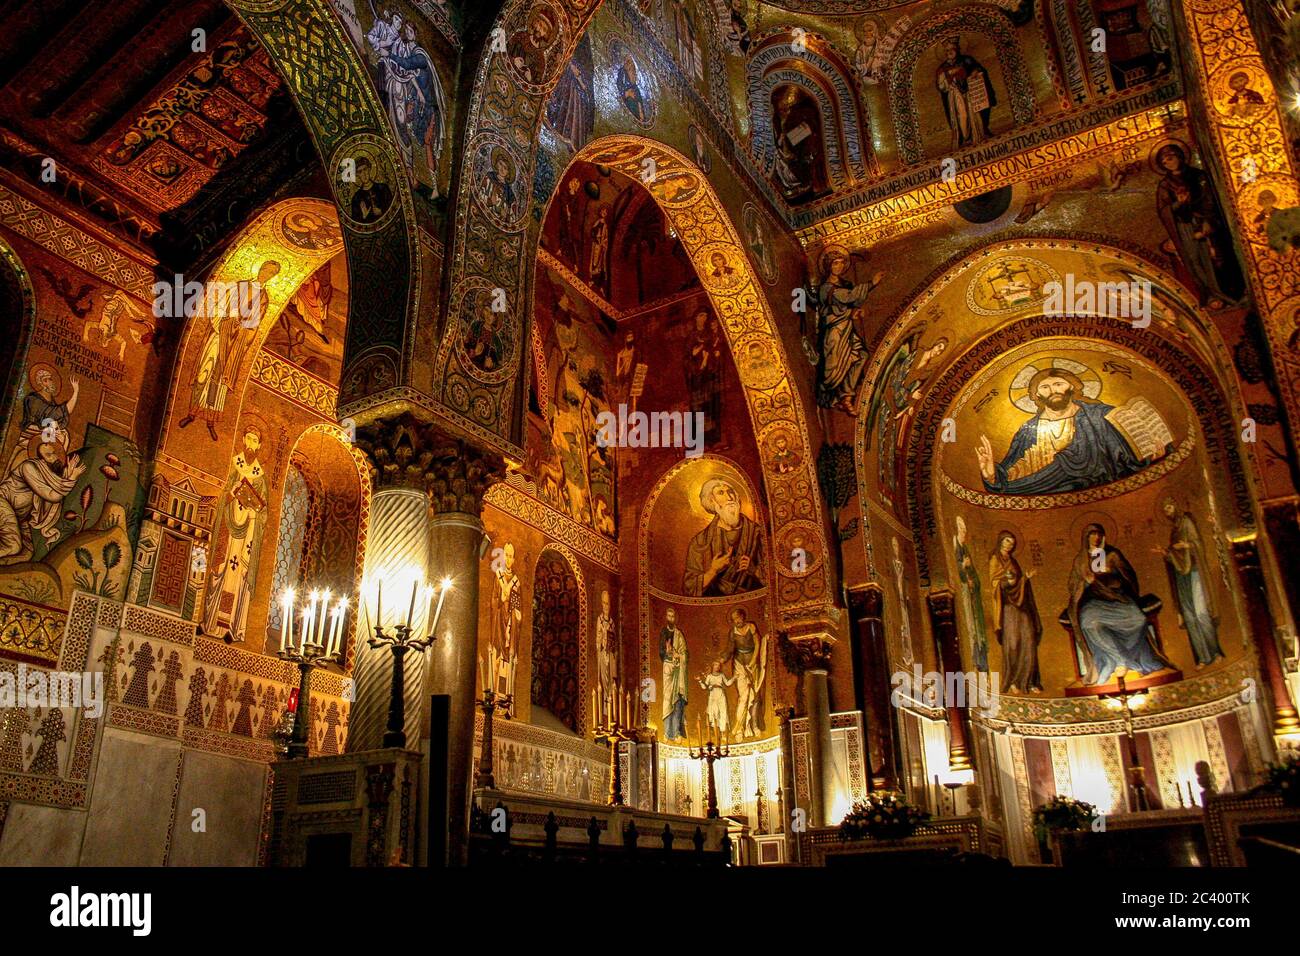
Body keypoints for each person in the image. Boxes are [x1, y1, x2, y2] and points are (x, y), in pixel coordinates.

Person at [977, 368, 1143, 496]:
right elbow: (1011, 473)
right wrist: (991, 476)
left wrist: (1148, 458)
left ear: (1071, 386)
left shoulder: (1098, 416)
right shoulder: (1027, 432)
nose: (1053, 390)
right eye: (1045, 387)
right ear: (1037, 394)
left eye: (1058, 384)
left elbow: (1125, 456)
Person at [1068, 523, 1170, 686]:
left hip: (1117, 598)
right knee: (1089, 623)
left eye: (1099, 534)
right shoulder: (1081, 560)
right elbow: (1073, 585)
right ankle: (1118, 660)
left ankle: (1129, 657)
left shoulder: (1112, 555)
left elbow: (1128, 576)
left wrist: (1109, 575)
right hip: (1093, 601)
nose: (1096, 538)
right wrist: (1085, 581)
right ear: (1085, 538)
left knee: (1138, 619)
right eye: (1092, 534)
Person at [1158, 498, 1225, 667]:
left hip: (1194, 571)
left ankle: (1215, 651)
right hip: (1181, 575)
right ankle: (1202, 657)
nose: (1168, 512)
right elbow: (1175, 554)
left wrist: (1187, 545)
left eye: (1170, 507)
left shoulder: (1187, 521)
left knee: (1201, 613)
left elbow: (1198, 544)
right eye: (1165, 510)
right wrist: (1166, 553)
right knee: (1190, 617)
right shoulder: (1174, 530)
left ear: (1176, 505)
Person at [815, 246, 881, 412]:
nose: (838, 267)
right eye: (835, 263)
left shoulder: (844, 284)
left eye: (841, 263)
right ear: (829, 266)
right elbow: (848, 297)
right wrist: (871, 283)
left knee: (861, 356)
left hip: (847, 329)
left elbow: (851, 301)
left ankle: (847, 396)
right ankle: (830, 395)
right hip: (835, 332)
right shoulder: (826, 288)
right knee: (834, 369)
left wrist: (855, 310)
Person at [0, 438, 85, 564]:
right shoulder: (28, 467)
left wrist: (67, 474)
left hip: (19, 516)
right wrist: (71, 478)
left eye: (54, 453)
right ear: (40, 458)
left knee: (27, 553)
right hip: (3, 504)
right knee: (13, 546)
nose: (54, 458)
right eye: (48, 455)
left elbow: (56, 485)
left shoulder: (49, 475)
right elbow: (52, 495)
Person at [683, 477, 765, 596]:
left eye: (730, 492)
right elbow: (689, 588)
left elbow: (774, 577)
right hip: (714, 607)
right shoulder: (699, 542)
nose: (729, 497)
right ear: (712, 501)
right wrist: (713, 571)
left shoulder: (756, 532)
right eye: (721, 493)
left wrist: (754, 570)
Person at [988, 531, 1042, 693]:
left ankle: (1029, 681)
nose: (1009, 545)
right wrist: (1008, 581)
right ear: (1000, 541)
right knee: (1012, 644)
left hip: (1021, 607)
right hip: (1007, 608)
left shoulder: (1013, 562)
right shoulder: (995, 559)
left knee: (1029, 640)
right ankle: (1012, 680)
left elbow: (1019, 581)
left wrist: (1024, 578)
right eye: (1006, 541)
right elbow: (994, 583)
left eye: (1012, 542)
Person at [936, 37, 996, 149]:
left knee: (975, 113)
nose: (949, 52)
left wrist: (975, 71)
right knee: (962, 116)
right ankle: (966, 138)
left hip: (970, 92)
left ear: (957, 49)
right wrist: (948, 75)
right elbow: (941, 86)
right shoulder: (943, 68)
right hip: (956, 95)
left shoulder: (966, 60)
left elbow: (977, 68)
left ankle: (980, 134)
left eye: (952, 49)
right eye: (947, 51)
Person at [953, 517, 989, 672]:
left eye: (965, 530)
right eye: (961, 530)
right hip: (965, 597)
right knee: (971, 630)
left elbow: (974, 575)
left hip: (973, 597)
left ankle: (982, 663)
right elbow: (958, 573)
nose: (964, 533)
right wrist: (962, 566)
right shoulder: (956, 548)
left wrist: (973, 580)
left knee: (978, 630)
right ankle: (974, 662)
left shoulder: (966, 549)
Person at [659, 608, 688, 740]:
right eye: (668, 616)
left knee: (677, 700)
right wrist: (668, 652)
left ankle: (676, 732)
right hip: (668, 668)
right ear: (666, 617)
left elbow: (685, 654)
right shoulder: (663, 632)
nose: (670, 618)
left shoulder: (679, 634)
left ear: (675, 618)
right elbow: (661, 652)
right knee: (667, 699)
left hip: (678, 669)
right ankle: (667, 732)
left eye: (672, 616)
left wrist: (676, 654)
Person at [699, 661, 734, 738]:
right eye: (715, 665)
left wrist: (734, 678)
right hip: (713, 695)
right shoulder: (709, 676)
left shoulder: (721, 675)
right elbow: (704, 687)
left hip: (721, 694)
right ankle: (716, 732)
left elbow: (727, 683)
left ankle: (723, 733)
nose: (717, 667)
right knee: (714, 712)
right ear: (713, 666)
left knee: (723, 712)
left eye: (718, 666)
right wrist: (700, 681)